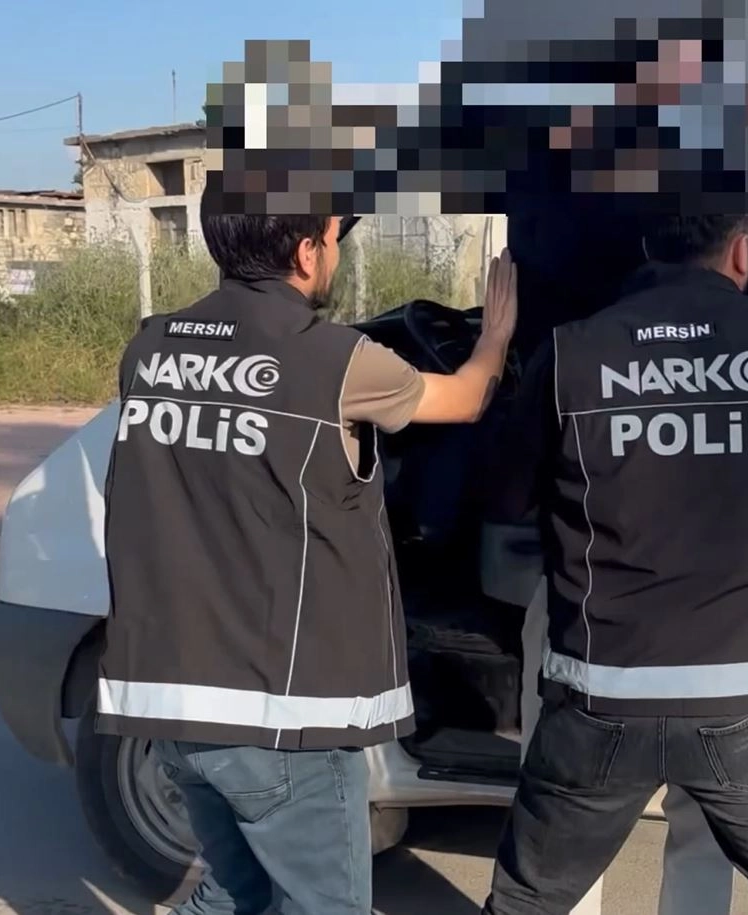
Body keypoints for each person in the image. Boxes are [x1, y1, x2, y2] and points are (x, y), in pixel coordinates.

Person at [481, 197, 748, 915]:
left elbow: (501, 499)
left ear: (647, 247)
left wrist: (498, 352)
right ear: (742, 250)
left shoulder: (570, 353)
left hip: (600, 700)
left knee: (527, 902)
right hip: (743, 706)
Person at [97, 205, 519, 915]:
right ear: (303, 252)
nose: (336, 252)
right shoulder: (335, 359)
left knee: (238, 892)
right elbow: (468, 399)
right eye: (332, 238)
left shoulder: (148, 348)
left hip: (168, 703)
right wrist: (498, 332)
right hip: (278, 715)